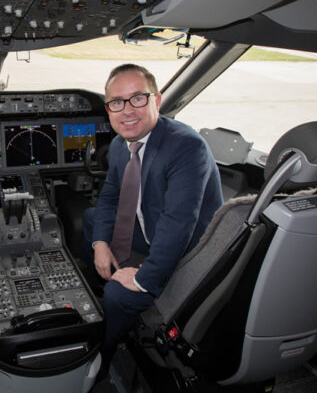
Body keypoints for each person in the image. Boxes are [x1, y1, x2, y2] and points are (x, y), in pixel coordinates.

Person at [82, 64, 223, 375]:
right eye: (116, 102)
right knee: (91, 221)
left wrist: (142, 278)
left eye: (137, 98)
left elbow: (178, 224)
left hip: (187, 255)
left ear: (156, 101)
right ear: (108, 110)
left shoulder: (186, 147)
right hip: (151, 229)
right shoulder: (120, 145)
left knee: (119, 295)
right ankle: (98, 286)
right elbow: (109, 197)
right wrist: (100, 244)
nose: (127, 111)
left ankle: (102, 352)